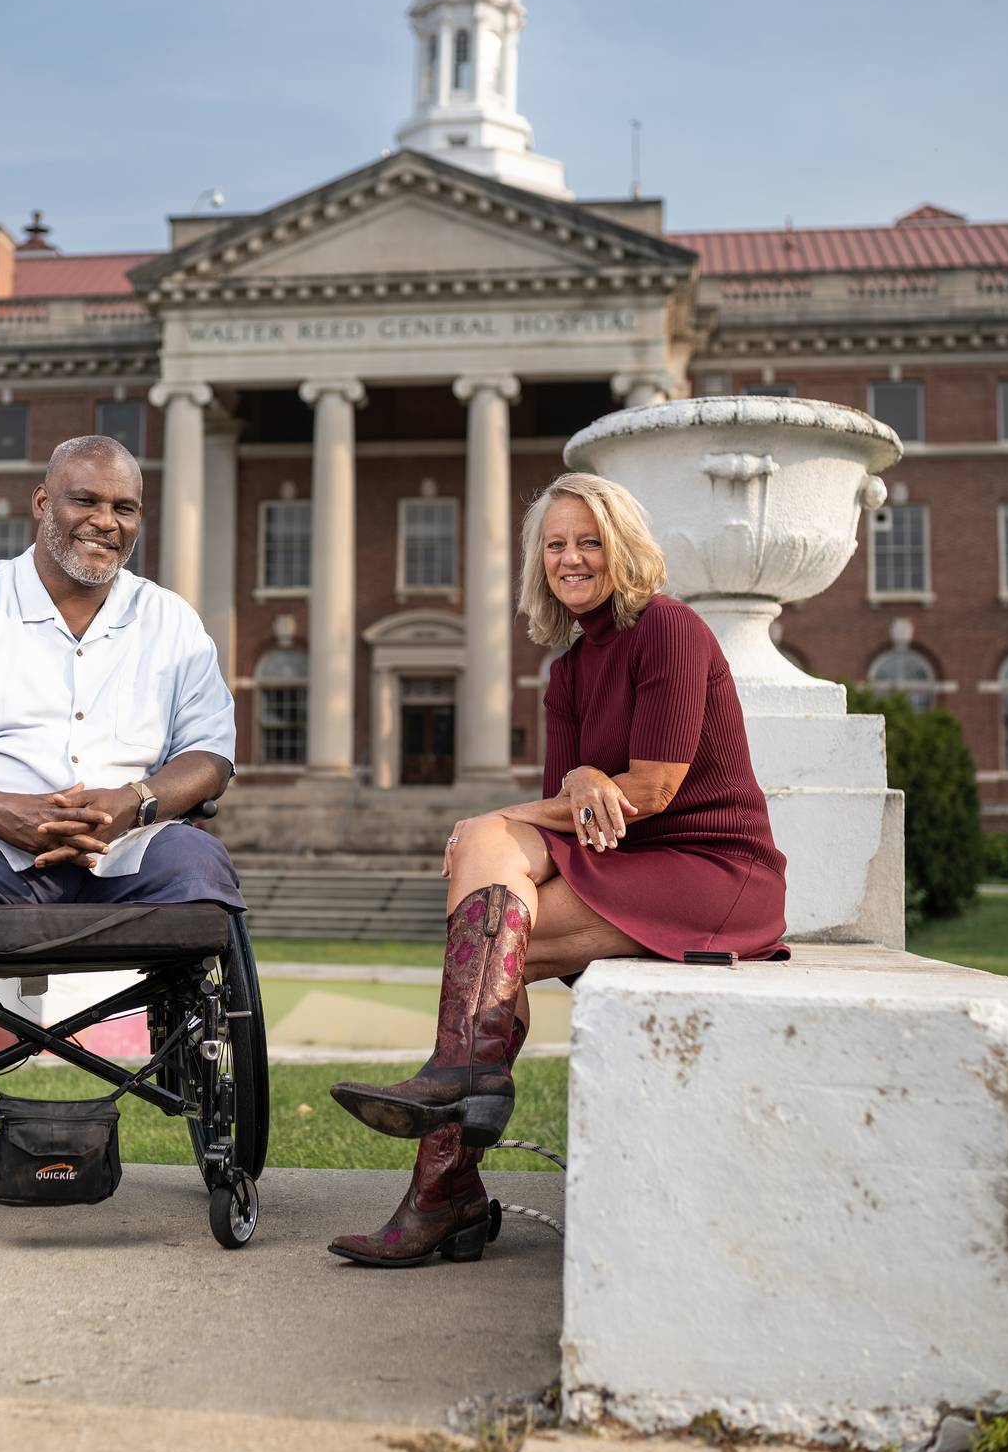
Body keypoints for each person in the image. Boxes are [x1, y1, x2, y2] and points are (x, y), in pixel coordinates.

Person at [328, 469, 788, 1268]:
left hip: (715, 869)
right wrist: (551, 796)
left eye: (589, 542)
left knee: (488, 934)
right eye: (555, 545)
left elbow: (654, 789)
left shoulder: (670, 630)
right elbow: (571, 818)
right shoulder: (568, 671)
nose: (570, 558)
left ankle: (447, 1172)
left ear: (624, 548)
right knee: (487, 898)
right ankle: (461, 1107)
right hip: (629, 862)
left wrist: (535, 802)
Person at [0, 434, 241, 920]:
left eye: (124, 508)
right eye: (85, 501)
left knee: (201, 870)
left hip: (131, 849)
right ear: (42, 502)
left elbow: (210, 755)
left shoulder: (170, 621)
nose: (106, 521)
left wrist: (133, 802)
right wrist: (1, 811)